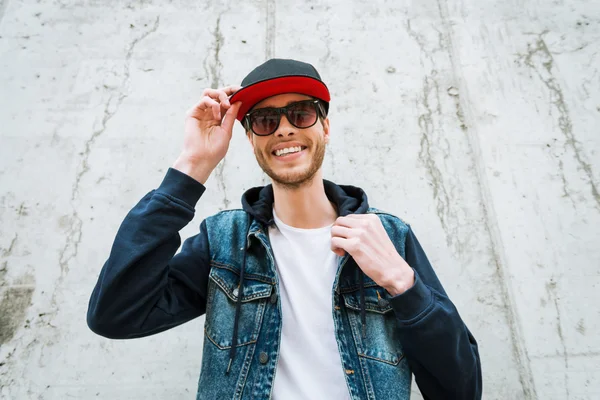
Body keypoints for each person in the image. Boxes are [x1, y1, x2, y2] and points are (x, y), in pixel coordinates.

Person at [87, 58, 482, 399]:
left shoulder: (389, 238)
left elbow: (461, 390)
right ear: (251, 140)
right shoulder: (224, 242)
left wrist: (403, 283)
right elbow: (115, 315)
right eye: (264, 119)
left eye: (302, 114)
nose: (284, 129)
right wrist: (192, 166)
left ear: (324, 128)